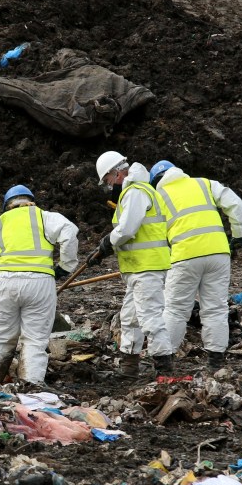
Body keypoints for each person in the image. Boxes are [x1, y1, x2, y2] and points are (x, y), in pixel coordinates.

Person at [149, 160, 242, 369]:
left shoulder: (157, 198)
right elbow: (236, 204)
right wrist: (239, 236)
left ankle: (164, 362)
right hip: (219, 254)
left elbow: (153, 234)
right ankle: (216, 362)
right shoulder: (205, 184)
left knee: (176, 310)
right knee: (216, 309)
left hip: (185, 256)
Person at [0, 185, 78, 385]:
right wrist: (65, 267)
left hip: (5, 281)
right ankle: (30, 385)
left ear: (8, 206)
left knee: (0, 337)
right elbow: (69, 232)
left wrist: (0, 281)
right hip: (39, 283)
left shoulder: (0, 223)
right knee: (34, 339)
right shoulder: (44, 216)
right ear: (31, 201)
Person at [87, 151, 174, 379]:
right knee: (130, 317)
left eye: (107, 181)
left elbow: (127, 229)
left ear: (116, 173)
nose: (108, 187)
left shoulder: (135, 192)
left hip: (148, 267)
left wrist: (107, 243)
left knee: (150, 318)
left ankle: (164, 368)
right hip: (137, 269)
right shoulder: (133, 192)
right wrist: (105, 248)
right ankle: (129, 367)